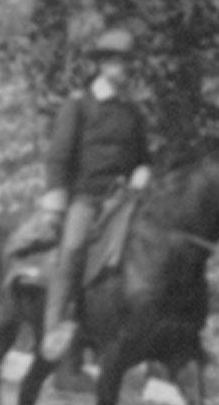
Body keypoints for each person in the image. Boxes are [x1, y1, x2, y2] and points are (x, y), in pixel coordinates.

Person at [39, 28, 151, 363]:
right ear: (102, 65)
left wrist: (144, 170)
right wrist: (56, 204)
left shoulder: (133, 112)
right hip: (85, 198)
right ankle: (54, 330)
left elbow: (143, 156)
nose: (126, 69)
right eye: (119, 62)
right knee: (72, 253)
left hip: (125, 201)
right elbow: (58, 157)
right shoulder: (79, 106)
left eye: (129, 62)